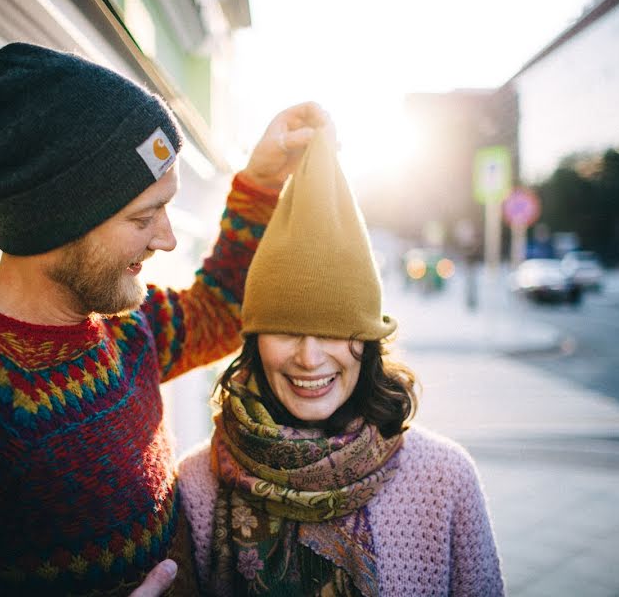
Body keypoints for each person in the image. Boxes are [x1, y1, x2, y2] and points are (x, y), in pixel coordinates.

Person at [0, 42, 328, 595]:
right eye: (144, 217)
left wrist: (259, 180)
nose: (166, 237)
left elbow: (223, 309)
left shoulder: (126, 330)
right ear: (61, 218)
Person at [177, 130, 505, 596]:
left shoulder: (444, 479)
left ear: (369, 343)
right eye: (287, 329)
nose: (310, 358)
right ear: (252, 341)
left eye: (334, 330)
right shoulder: (196, 483)